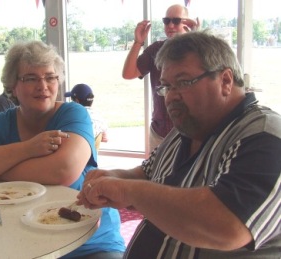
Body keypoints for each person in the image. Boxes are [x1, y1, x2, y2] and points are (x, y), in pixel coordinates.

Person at [77, 31, 281, 259]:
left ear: (225, 80)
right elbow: (148, 174)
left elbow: (228, 226)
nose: (171, 96)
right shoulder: (187, 128)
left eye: (183, 83)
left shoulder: (266, 135)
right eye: (166, 86)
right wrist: (113, 177)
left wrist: (128, 190)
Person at [0, 41, 125, 259]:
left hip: (91, 241)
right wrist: (28, 148)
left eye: (50, 77)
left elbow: (62, 171)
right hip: (22, 241)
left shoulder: (74, 114)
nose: (42, 85)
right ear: (12, 86)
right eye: (31, 78)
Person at [122, 4, 199, 152]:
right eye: (166, 20)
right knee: (153, 174)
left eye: (176, 21)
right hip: (160, 132)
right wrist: (138, 42)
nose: (170, 25)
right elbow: (128, 74)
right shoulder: (156, 49)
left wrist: (195, 39)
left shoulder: (197, 50)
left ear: (187, 23)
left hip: (190, 132)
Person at [65, 83, 108, 149]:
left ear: (76, 101)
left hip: (77, 153)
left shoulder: (73, 116)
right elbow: (105, 139)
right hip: (93, 155)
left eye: (72, 100)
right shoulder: (99, 116)